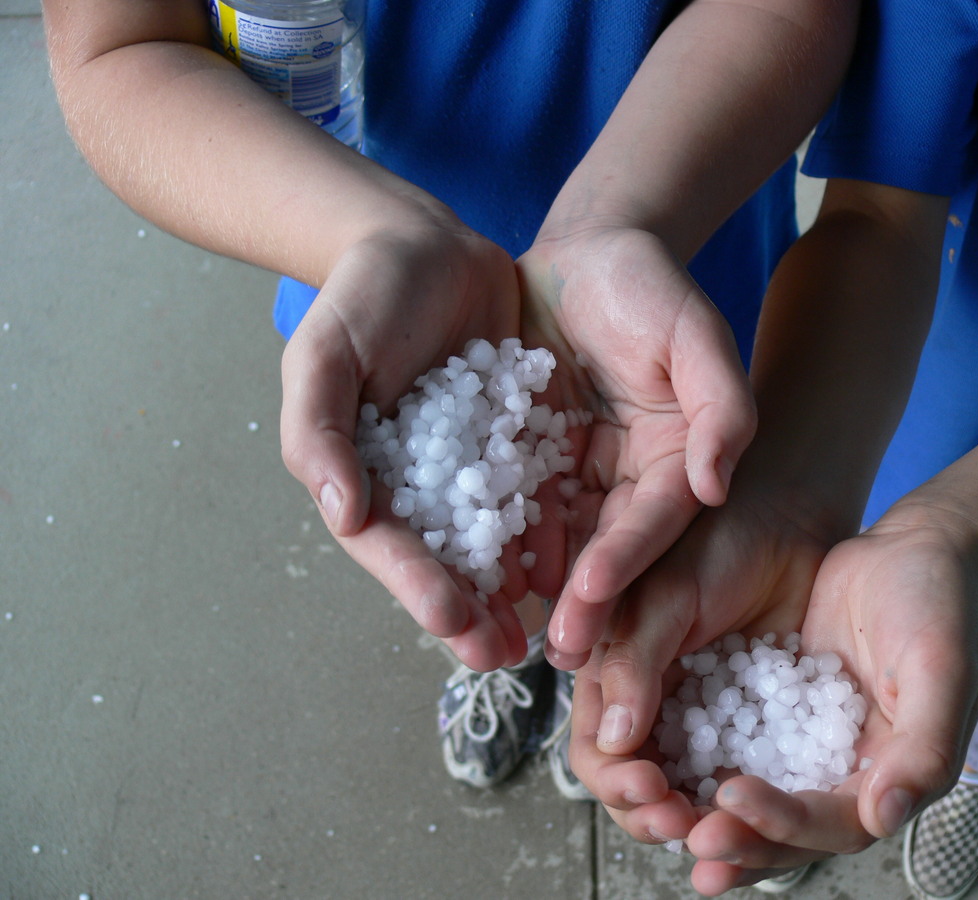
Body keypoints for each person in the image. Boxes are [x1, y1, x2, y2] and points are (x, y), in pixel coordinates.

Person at [44, 0, 857, 795]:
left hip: (678, 240)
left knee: (659, 528)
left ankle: (604, 653)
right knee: (466, 562)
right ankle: (523, 654)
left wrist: (613, 220)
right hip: (361, 264)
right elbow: (119, 47)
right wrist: (380, 235)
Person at [562, 0, 978, 895]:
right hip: (891, 419)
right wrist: (788, 497)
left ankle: (966, 771)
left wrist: (952, 536)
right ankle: (923, 751)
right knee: (917, 658)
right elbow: (877, 215)